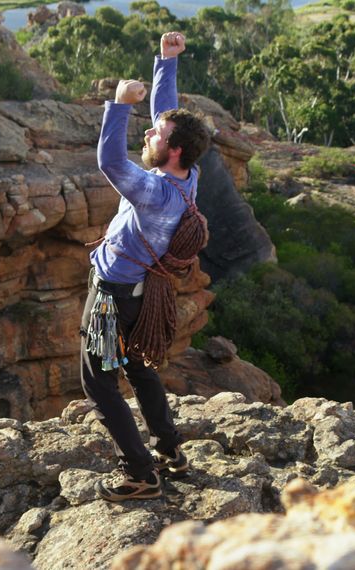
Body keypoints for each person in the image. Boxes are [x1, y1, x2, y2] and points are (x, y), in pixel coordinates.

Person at [81, 31, 211, 502]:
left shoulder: (154, 193)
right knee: (137, 368)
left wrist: (117, 105)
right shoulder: (187, 176)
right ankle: (169, 451)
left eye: (157, 136)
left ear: (174, 150)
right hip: (141, 294)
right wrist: (166, 61)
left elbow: (110, 160)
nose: (149, 132)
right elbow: (167, 118)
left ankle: (141, 475)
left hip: (114, 295)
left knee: (97, 382)